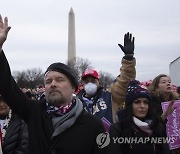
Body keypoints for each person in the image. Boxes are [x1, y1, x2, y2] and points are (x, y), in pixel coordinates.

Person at [0, 15, 108, 154]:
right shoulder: (33, 112)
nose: (53, 84)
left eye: (60, 79)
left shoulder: (93, 125)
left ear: (74, 87)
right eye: (48, 81)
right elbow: (8, 87)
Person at [77, 32, 136, 131]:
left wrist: (128, 58)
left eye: (93, 81)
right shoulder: (76, 102)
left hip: (110, 141)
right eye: (86, 82)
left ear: (98, 82)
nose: (90, 84)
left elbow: (125, 80)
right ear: (82, 84)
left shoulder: (110, 96)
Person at [109, 80, 170, 154]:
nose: (142, 106)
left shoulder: (158, 126)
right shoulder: (118, 129)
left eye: (146, 102)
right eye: (137, 102)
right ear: (130, 105)